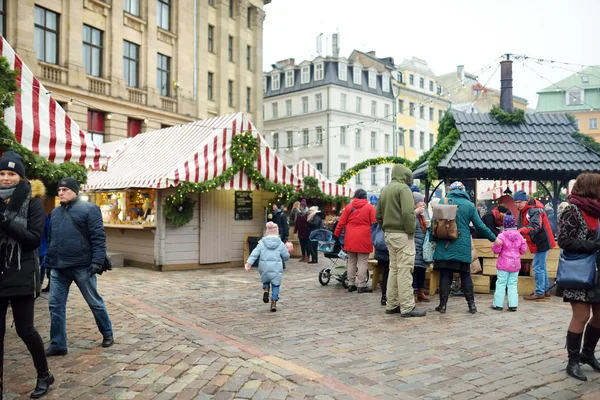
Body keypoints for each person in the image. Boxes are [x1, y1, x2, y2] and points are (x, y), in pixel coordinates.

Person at [0, 152, 54, 398]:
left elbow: (33, 240)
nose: (6, 178)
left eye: (11, 174)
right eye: (2, 173)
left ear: (20, 176)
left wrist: (5, 223)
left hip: (22, 273)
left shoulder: (33, 201)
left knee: (25, 330)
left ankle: (44, 374)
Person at [45, 178, 114, 356]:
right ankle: (58, 344)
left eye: (65, 189)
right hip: (59, 267)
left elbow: (98, 237)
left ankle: (107, 333)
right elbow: (51, 239)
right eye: (59, 189)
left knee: (94, 302)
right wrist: (49, 264)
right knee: (55, 305)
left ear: (75, 191)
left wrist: (97, 262)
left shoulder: (90, 209)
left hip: (83, 266)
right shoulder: (55, 212)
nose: (61, 193)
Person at [556, 173, 600, 381]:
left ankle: (587, 354)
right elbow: (563, 241)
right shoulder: (572, 210)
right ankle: (572, 362)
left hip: (598, 272)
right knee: (581, 316)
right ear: (591, 188)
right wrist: (592, 245)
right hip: (580, 272)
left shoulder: (598, 211)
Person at [433, 181, 500, 314]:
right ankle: (472, 306)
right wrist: (494, 239)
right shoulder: (469, 205)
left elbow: (434, 225)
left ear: (450, 190)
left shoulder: (442, 201)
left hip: (444, 245)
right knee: (465, 274)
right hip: (462, 245)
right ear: (463, 190)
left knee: (445, 274)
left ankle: (443, 305)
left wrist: (431, 240)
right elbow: (480, 226)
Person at [376, 164, 425, 318]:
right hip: (403, 235)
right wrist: (410, 231)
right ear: (405, 176)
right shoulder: (404, 189)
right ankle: (407, 307)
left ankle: (392, 304)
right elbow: (407, 213)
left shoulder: (386, 190)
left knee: (394, 269)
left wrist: (386, 228)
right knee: (405, 270)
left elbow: (378, 214)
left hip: (389, 234)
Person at [513, 190, 557, 300]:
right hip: (541, 240)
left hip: (541, 241)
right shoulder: (529, 209)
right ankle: (545, 290)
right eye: (516, 202)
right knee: (541, 266)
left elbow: (536, 226)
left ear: (524, 201)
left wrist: (521, 231)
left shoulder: (533, 210)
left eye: (518, 202)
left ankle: (540, 292)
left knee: (537, 266)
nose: (517, 205)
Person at [334, 189, 377, 293]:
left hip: (350, 237)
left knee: (351, 261)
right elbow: (375, 222)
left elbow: (341, 222)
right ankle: (361, 285)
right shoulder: (370, 208)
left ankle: (351, 284)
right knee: (362, 262)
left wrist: (336, 234)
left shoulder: (349, 207)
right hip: (364, 237)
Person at [245, 222, 291, 312]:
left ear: (267, 232)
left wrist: (248, 263)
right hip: (276, 268)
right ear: (277, 232)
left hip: (264, 267)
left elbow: (254, 254)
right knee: (276, 284)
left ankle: (266, 288)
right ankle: (273, 302)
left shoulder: (261, 243)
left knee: (266, 280)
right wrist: (288, 251)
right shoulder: (280, 244)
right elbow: (286, 257)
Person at [491, 214, 527, 312]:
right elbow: (523, 250)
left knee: (501, 283)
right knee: (512, 284)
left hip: (503, 263)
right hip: (515, 264)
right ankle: (513, 304)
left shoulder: (501, 235)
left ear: (504, 224)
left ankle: (498, 304)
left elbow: (496, 249)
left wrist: (494, 245)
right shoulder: (519, 236)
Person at [413, 192, 431, 303]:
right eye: (420, 201)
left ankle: (421, 291)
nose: (422, 203)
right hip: (415, 243)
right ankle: (413, 293)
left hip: (423, 245)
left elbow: (428, 224)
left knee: (422, 269)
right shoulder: (411, 213)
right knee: (414, 269)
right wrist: (415, 213)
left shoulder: (424, 212)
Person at [372, 223, 389, 305]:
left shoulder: (380, 212)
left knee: (385, 273)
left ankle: (384, 296)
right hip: (388, 246)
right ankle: (387, 296)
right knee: (389, 273)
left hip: (380, 245)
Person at [39, 213, 51, 292]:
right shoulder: (44, 217)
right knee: (41, 267)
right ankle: (38, 285)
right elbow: (48, 232)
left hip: (41, 247)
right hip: (41, 248)